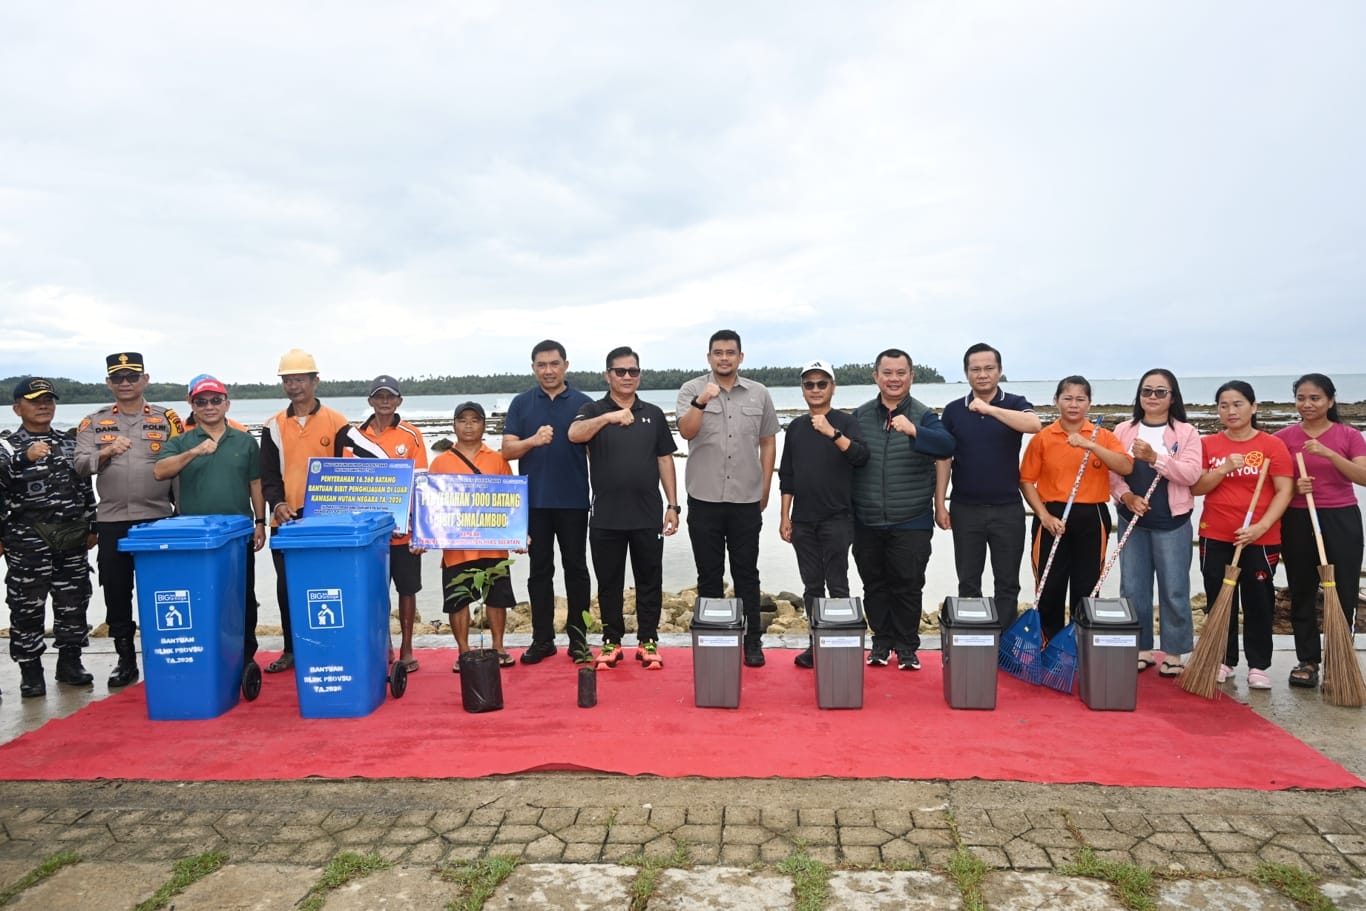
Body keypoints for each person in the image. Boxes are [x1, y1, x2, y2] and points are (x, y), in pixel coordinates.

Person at [74, 351, 184, 688]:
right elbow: (79, 466)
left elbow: (180, 466)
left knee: (163, 592)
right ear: (108, 383)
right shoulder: (93, 422)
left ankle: (167, 653)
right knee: (116, 591)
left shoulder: (167, 419)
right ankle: (125, 659)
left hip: (157, 520)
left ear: (145, 380)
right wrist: (105, 452)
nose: (125, 383)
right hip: (112, 521)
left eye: (132, 376)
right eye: (118, 378)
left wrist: (182, 514)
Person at [569, 347, 680, 670]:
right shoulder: (592, 409)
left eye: (633, 371)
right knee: (609, 583)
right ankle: (612, 641)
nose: (627, 376)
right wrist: (609, 417)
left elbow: (664, 459)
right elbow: (574, 434)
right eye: (620, 371)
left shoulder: (653, 414)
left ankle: (648, 640)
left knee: (649, 580)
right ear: (608, 375)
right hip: (606, 515)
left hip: (647, 513)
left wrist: (673, 505)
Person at [676, 330, 779, 667]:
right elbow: (686, 431)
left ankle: (752, 641)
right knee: (709, 575)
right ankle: (715, 640)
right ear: (709, 357)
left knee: (746, 573)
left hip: (746, 499)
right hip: (703, 497)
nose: (724, 358)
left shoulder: (759, 393)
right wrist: (701, 401)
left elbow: (768, 441)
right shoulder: (692, 389)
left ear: (740, 357)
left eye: (730, 352)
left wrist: (765, 486)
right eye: (717, 353)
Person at [850, 349, 956, 670]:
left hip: (911, 518)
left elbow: (947, 446)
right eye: (887, 373)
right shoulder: (860, 416)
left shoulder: (924, 416)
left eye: (900, 373)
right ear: (876, 377)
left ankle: (907, 647)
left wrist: (914, 431)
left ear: (911, 376)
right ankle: (881, 642)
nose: (894, 379)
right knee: (874, 585)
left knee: (908, 585)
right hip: (866, 518)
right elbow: (845, 457)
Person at [153, 376, 268, 665]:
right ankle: (206, 651)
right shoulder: (181, 441)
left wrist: (260, 522)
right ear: (192, 406)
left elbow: (255, 483)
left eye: (216, 400)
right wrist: (194, 452)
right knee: (200, 596)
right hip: (195, 537)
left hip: (238, 534)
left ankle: (245, 655)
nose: (209, 406)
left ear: (227, 404)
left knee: (242, 595)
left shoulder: (245, 440)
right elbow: (160, 471)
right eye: (201, 402)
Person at [259, 348, 359, 673]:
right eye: (288, 380)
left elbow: (357, 467)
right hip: (287, 522)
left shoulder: (337, 422)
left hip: (327, 523)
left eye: (300, 379)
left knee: (329, 587)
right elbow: (268, 476)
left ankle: (331, 645)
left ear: (315, 381)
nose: (294, 386)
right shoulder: (273, 426)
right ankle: (291, 649)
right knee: (287, 588)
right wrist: (277, 504)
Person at [1191, 380, 1294, 690]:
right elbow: (1196, 488)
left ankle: (1259, 665)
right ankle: (1224, 659)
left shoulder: (1271, 445)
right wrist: (1222, 469)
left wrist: (1261, 527)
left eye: (1237, 404)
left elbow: (1285, 490)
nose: (1230, 411)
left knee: (1259, 599)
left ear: (1253, 407)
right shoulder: (1208, 444)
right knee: (1219, 597)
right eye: (1224, 405)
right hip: (1216, 533)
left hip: (1260, 536)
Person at [1, 378, 97, 697]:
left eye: (48, 399)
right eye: (35, 400)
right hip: (26, 540)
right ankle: (30, 671)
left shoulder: (69, 442)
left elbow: (84, 485)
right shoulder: (7, 445)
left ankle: (70, 663)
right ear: (18, 408)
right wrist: (24, 457)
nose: (43, 405)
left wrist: (93, 524)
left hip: (71, 537)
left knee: (74, 602)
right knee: (27, 607)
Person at [934, 343, 1040, 631]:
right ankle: (973, 639)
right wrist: (939, 503)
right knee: (968, 581)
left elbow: (1034, 424)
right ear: (966, 373)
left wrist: (990, 409)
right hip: (965, 508)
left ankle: (1003, 639)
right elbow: (944, 458)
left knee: (1007, 581)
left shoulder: (1015, 402)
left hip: (1008, 508)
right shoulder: (953, 410)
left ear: (1000, 371)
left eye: (989, 368)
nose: (982, 374)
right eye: (976, 369)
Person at [1019, 376, 1133, 641]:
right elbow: (1026, 481)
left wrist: (1090, 445)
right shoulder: (1043, 438)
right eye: (1067, 398)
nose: (1073, 404)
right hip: (1052, 516)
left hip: (1092, 516)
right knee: (1049, 586)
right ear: (1056, 400)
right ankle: (1048, 645)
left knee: (1087, 587)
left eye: (1080, 399)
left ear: (1089, 403)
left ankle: (1079, 645)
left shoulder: (1103, 436)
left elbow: (1126, 466)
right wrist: (1044, 516)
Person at [501, 340, 593, 665]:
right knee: (539, 571)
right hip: (535, 503)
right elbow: (507, 451)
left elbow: (598, 452)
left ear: (566, 365)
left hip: (574, 501)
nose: (548, 370)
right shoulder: (521, 403)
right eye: (542, 365)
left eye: (554, 364)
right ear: (533, 368)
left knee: (576, 570)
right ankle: (542, 640)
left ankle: (578, 640)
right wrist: (533, 440)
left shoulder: (584, 403)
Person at [1274, 373, 1366, 689]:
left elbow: (1363, 476)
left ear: (1330, 400)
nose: (1307, 404)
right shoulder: (1283, 438)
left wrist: (1329, 454)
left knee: (1343, 590)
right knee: (1302, 590)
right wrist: (1294, 487)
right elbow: (1274, 483)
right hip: (1298, 519)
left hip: (1341, 517)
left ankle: (1341, 659)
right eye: (1301, 398)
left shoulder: (1349, 435)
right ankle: (1308, 660)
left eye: (1315, 398)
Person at [1108, 370, 1203, 677]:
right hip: (1132, 520)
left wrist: (1155, 458)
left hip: (1172, 521)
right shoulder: (1123, 429)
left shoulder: (1186, 432)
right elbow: (1112, 473)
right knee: (1133, 587)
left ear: (1172, 397)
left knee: (1174, 588)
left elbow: (1191, 475)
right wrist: (1126, 498)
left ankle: (1174, 652)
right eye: (1146, 391)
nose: (1152, 397)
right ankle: (1141, 648)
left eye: (1161, 392)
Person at [778, 359, 868, 668]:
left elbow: (861, 456)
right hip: (803, 521)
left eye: (821, 384)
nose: (815, 389)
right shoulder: (796, 427)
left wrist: (832, 433)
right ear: (802, 389)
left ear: (833, 387)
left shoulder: (847, 422)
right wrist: (784, 516)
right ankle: (816, 645)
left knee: (838, 584)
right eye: (809, 384)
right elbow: (787, 474)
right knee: (812, 586)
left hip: (838, 518)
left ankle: (840, 644)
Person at [428, 402, 519, 668]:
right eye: (463, 420)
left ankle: (498, 647)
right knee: (458, 600)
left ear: (484, 425)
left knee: (497, 598)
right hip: (456, 547)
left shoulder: (498, 459)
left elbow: (511, 501)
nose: (468, 426)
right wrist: (424, 537)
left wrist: (520, 534)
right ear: (454, 425)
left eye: (475, 420)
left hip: (494, 544)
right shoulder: (440, 462)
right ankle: (464, 652)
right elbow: (431, 505)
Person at [351, 375, 428, 672]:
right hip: (370, 534)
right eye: (379, 396)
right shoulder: (355, 436)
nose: (385, 401)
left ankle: (407, 648)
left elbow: (421, 484)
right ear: (370, 400)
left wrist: (420, 529)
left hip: (403, 532)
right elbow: (348, 484)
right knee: (374, 590)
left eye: (390, 396)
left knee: (407, 590)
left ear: (399, 401)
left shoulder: (412, 435)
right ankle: (383, 644)